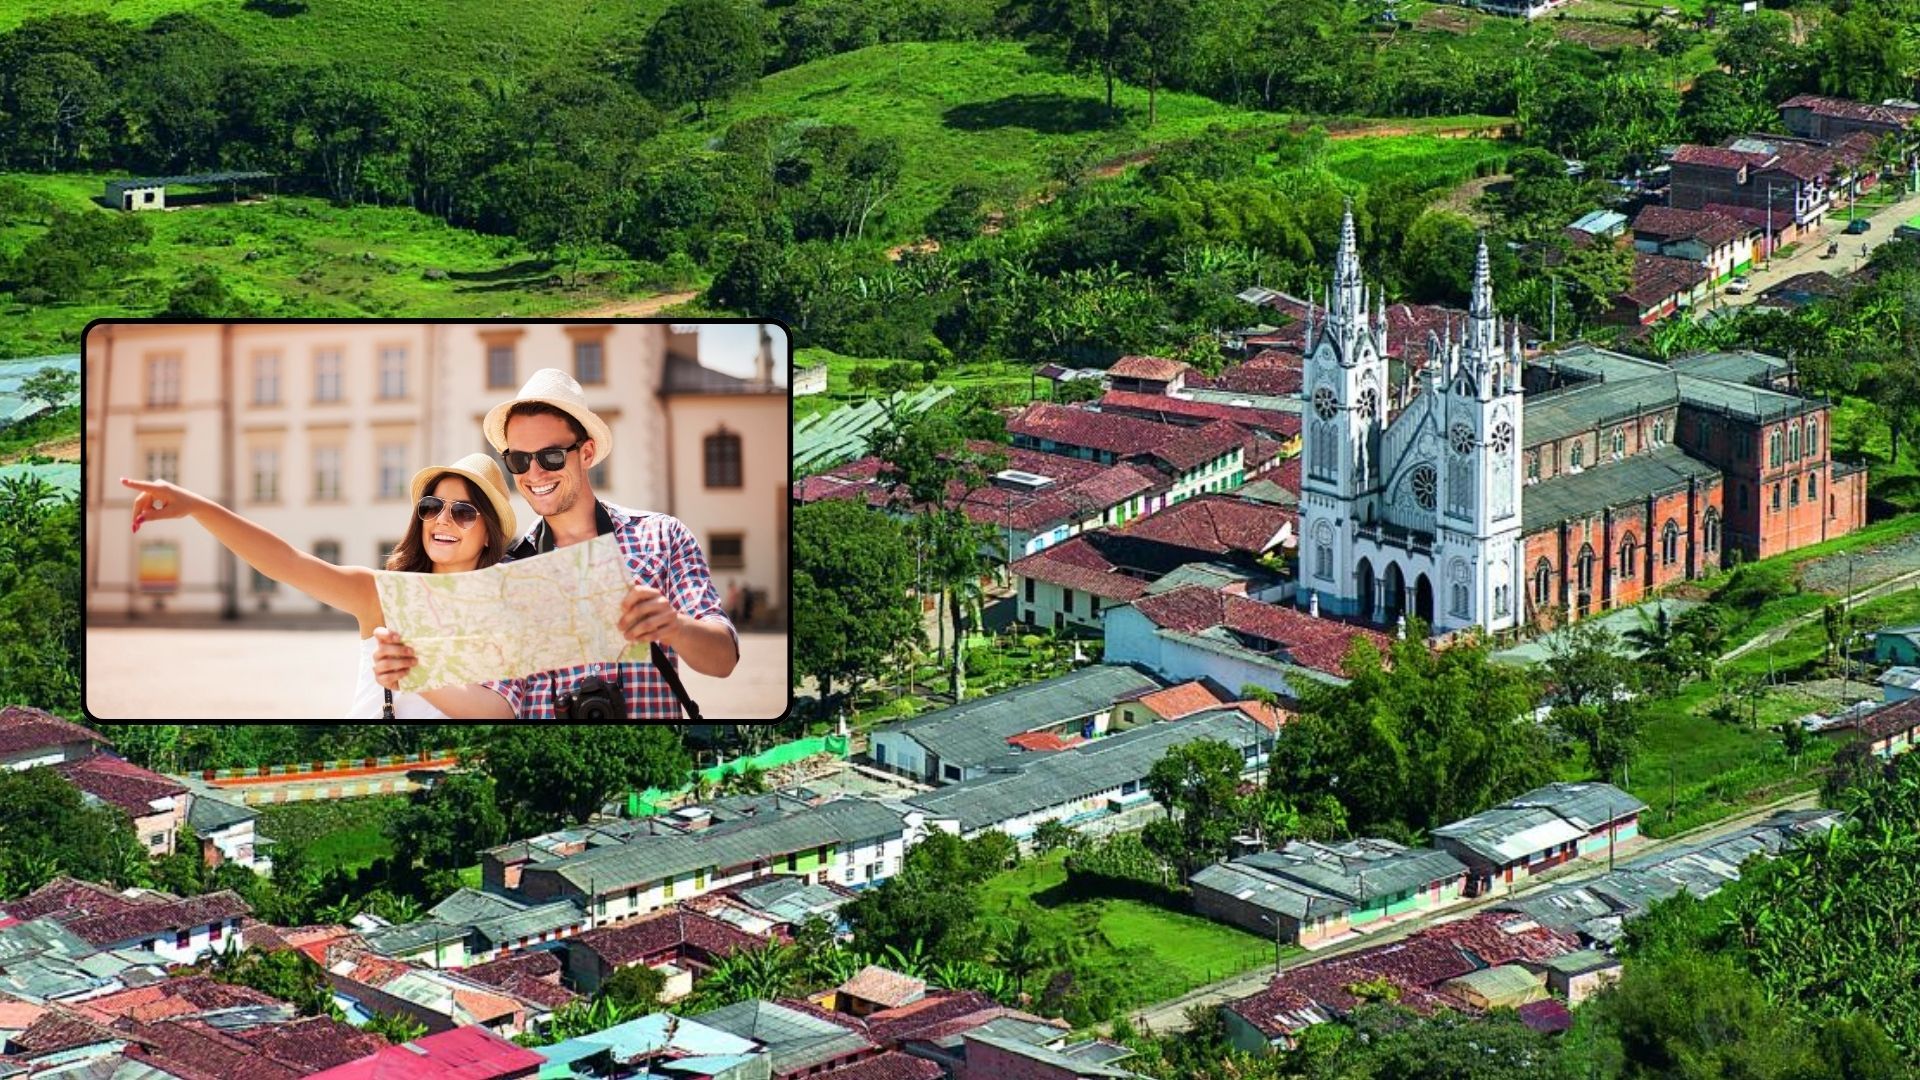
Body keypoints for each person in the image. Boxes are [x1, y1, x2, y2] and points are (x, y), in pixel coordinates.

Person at [372, 368, 738, 718]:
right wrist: (415, 671)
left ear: (588, 453)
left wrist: (674, 626)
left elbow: (724, 660)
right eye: (518, 460)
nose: (534, 474)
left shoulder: (662, 536)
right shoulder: (507, 572)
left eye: (551, 456)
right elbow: (501, 704)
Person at [119, 452, 518, 719]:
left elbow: (499, 711)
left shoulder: (504, 615)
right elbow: (287, 563)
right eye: (432, 508)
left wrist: (417, 671)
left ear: (488, 534)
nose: (443, 520)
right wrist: (197, 506)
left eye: (463, 512)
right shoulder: (384, 594)